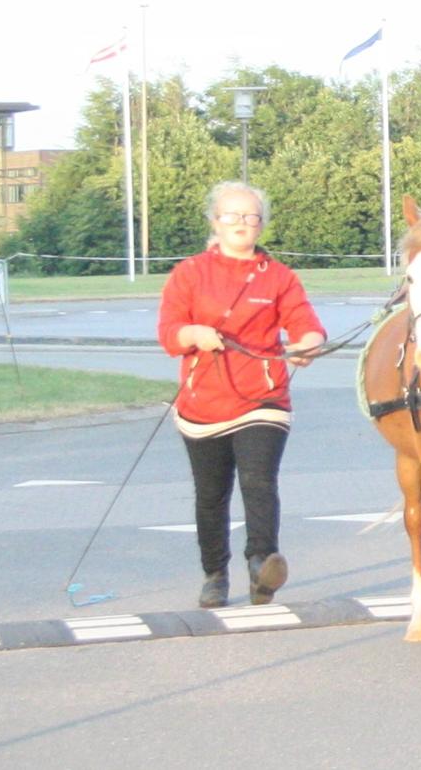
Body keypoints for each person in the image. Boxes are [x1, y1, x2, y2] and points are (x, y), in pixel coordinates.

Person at [158, 181, 326, 609]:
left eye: (250, 217)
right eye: (231, 215)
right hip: (203, 402)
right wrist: (193, 333)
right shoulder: (189, 273)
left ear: (261, 225)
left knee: (258, 480)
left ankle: (261, 563)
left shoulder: (280, 277)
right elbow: (169, 332)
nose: (241, 223)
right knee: (210, 493)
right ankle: (215, 574)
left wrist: (308, 342)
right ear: (215, 221)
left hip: (262, 398)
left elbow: (305, 323)